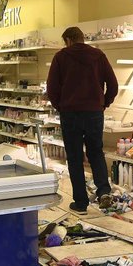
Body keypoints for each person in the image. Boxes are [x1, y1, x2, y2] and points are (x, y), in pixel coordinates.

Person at [46, 26, 118, 214]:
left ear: (69, 40)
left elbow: (52, 88)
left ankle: (81, 202)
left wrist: (61, 106)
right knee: (96, 152)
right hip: (94, 113)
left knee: (75, 157)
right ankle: (103, 191)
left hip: (70, 114)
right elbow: (113, 85)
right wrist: (103, 104)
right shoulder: (98, 56)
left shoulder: (61, 57)